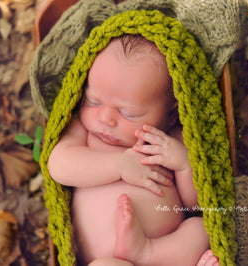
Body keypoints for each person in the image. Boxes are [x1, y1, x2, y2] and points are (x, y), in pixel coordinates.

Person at [48, 34, 219, 266]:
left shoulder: (170, 141)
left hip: (164, 254)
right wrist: (119, 165)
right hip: (106, 259)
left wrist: (185, 164)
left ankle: (146, 253)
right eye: (93, 101)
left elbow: (195, 205)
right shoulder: (85, 131)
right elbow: (58, 165)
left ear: (170, 114)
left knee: (202, 230)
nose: (106, 118)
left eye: (128, 114)